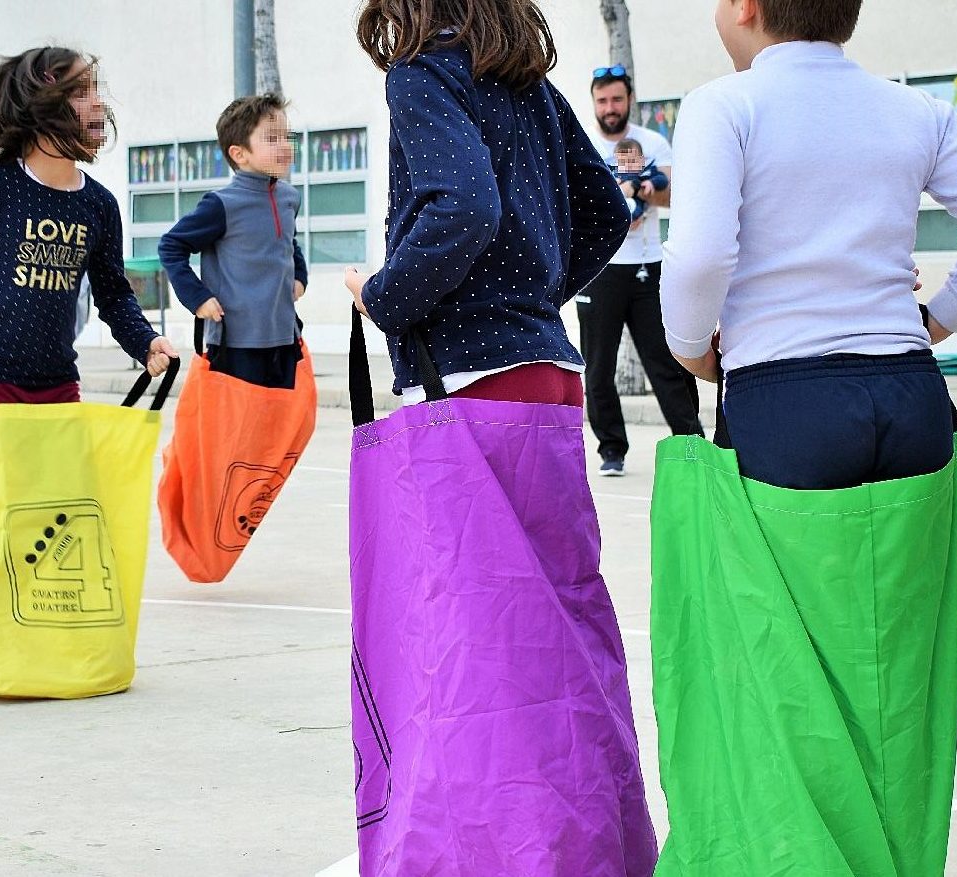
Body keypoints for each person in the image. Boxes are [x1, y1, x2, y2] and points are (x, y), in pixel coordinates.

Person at [345, 0, 656, 870]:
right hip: (547, 378)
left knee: (473, 647)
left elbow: (464, 208)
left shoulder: (423, 75)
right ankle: (590, 846)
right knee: (564, 633)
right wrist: (534, 293)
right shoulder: (528, 83)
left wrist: (385, 295)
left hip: (470, 384)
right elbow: (605, 209)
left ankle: (495, 851)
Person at [662, 0, 957, 489]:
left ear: (746, 7)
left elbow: (701, 257)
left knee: (775, 544)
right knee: (910, 542)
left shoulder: (722, 104)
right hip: (910, 388)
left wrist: (690, 348)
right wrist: (936, 320)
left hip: (784, 396)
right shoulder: (917, 110)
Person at [0, 47, 175, 412]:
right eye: (80, 92)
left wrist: (144, 342)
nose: (98, 103)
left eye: (96, 90)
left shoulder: (98, 204)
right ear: (42, 103)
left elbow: (113, 293)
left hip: (57, 382)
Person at [577, 66, 702, 477]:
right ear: (594, 103)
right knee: (598, 368)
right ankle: (611, 450)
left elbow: (675, 195)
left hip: (649, 266)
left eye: (616, 99)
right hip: (599, 268)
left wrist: (644, 193)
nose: (609, 108)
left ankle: (691, 443)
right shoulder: (583, 143)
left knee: (666, 363)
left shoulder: (652, 143)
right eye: (602, 101)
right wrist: (615, 204)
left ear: (629, 100)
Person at [157, 94, 308, 389]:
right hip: (235, 344)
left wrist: (300, 276)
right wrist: (197, 298)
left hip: (285, 337)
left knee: (283, 419)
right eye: (272, 138)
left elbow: (289, 240)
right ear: (239, 154)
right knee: (238, 421)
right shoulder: (221, 204)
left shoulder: (289, 197)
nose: (284, 145)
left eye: (287, 136)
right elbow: (171, 246)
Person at [613, 138, 667, 226]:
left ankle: (626, 221)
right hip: (618, 202)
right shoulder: (616, 174)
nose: (628, 166)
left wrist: (652, 182)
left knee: (635, 210)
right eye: (622, 163)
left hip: (637, 202)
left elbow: (663, 179)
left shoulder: (648, 172)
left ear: (642, 160)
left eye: (632, 161)